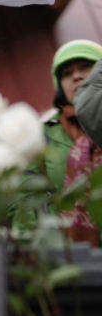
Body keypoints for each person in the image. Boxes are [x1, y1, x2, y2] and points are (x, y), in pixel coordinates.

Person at [44, 40, 102, 244]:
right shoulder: (43, 137)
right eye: (67, 73)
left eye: (86, 66)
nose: (76, 76)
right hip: (67, 255)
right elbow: (25, 200)